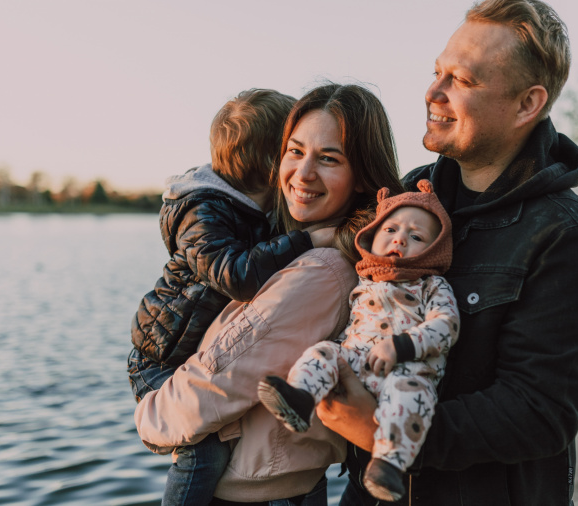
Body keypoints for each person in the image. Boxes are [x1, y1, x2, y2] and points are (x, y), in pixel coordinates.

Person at [315, 1, 578, 505]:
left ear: (528, 104)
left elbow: (539, 413)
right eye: (437, 71)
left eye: (462, 80)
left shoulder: (569, 241)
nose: (433, 93)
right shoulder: (406, 197)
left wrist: (384, 435)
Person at [134, 83, 405, 505]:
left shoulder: (324, 268)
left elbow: (217, 383)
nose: (303, 173)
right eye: (294, 152)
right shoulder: (307, 245)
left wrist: (149, 416)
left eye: (329, 158)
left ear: (362, 177)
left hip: (260, 492)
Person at [257, 179, 460, 502]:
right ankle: (300, 397)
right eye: (390, 230)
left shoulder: (430, 286)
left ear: (435, 250)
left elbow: (446, 325)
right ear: (373, 235)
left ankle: (389, 464)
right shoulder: (364, 280)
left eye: (416, 236)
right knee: (324, 351)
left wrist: (402, 346)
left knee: (411, 397)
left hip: (406, 368)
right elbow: (352, 326)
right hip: (357, 362)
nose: (400, 239)